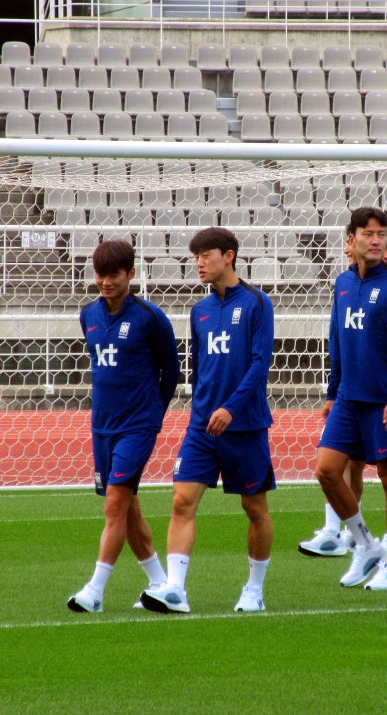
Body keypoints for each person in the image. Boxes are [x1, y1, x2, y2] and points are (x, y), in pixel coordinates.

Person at [140, 227, 276, 614]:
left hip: (244, 424)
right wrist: (201, 410)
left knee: (254, 508)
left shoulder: (256, 303)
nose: (198, 263)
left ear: (228, 256)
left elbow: (258, 364)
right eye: (195, 256)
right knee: (182, 501)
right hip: (202, 426)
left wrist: (230, 407)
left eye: (206, 255)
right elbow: (198, 370)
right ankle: (175, 590)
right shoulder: (198, 310)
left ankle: (254, 588)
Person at [299, 230, 387, 557]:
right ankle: (349, 536)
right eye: (370, 239)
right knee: (335, 468)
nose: (381, 251)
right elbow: (337, 339)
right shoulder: (344, 284)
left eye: (385, 244)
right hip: (351, 396)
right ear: (350, 243)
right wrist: (333, 392)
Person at [67, 239, 181, 613]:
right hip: (102, 426)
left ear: (130, 274)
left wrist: (153, 415)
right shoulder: (88, 316)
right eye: (101, 274)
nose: (106, 281)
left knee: (115, 502)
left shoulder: (149, 318)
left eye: (114, 274)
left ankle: (95, 591)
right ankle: (160, 583)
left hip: (137, 427)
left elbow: (172, 372)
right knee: (128, 507)